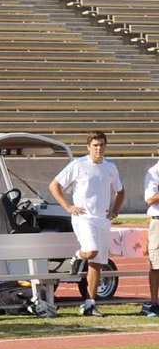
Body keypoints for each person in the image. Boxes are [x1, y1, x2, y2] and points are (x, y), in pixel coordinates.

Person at [48, 131, 123, 317]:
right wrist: (68, 206)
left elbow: (120, 191)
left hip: (103, 220)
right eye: (95, 145)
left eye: (102, 145)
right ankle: (77, 256)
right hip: (83, 218)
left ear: (105, 146)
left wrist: (115, 210)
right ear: (88, 146)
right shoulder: (78, 165)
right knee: (90, 252)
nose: (99, 148)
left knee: (97, 263)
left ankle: (90, 303)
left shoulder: (111, 167)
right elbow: (54, 185)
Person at [143, 151, 159, 316]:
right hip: (158, 220)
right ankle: (154, 303)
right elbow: (150, 198)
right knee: (156, 264)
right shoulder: (154, 172)